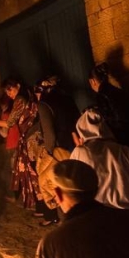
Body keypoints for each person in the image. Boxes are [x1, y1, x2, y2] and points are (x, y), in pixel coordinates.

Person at [0, 77, 40, 210]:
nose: (9, 93)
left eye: (10, 89)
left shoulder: (20, 100)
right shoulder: (28, 96)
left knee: (30, 172)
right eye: (7, 92)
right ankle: (38, 205)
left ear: (18, 85)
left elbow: (9, 123)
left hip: (30, 139)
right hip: (31, 137)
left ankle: (37, 204)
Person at [33, 75, 79, 225]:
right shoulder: (68, 99)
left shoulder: (44, 104)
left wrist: (48, 152)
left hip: (58, 150)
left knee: (57, 186)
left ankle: (64, 221)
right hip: (74, 148)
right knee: (73, 185)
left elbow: (49, 133)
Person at [88, 62, 129, 157]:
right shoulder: (118, 91)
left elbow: (109, 120)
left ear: (93, 81)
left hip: (123, 138)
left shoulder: (101, 95)